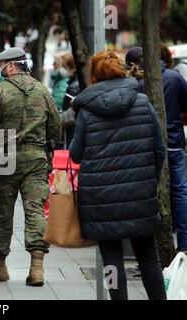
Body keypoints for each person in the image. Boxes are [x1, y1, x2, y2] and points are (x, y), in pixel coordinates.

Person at [70, 51, 167, 300]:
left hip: (100, 198)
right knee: (148, 258)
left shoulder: (86, 110)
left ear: (94, 77)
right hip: (140, 194)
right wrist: (149, 182)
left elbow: (76, 155)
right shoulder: (143, 103)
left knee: (112, 260)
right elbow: (159, 149)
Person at [0, 47, 62, 286]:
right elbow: (55, 129)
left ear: (11, 66)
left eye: (1, 65)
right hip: (36, 158)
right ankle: (37, 267)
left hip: (6, 158)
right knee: (35, 210)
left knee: (3, 211)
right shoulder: (42, 90)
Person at [126, 46, 187, 254]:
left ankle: (154, 245)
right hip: (175, 143)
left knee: (149, 193)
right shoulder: (176, 78)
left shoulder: (137, 85)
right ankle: (184, 244)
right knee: (179, 192)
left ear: (134, 64)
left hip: (147, 147)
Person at [60, 53, 80, 148]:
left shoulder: (73, 87)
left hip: (72, 129)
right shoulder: (75, 83)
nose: (63, 69)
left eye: (65, 66)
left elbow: (68, 112)